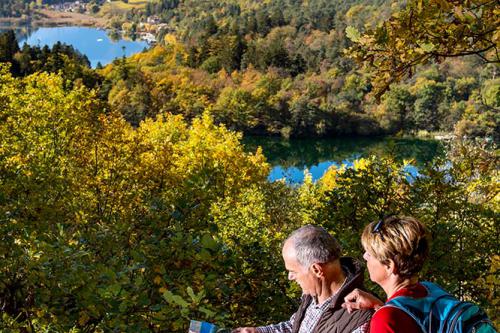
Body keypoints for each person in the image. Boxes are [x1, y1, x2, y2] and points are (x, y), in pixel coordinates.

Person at [341, 216, 495, 333]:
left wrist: (384, 312)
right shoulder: (430, 289)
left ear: (389, 266)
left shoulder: (385, 320)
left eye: (370, 253)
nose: (364, 257)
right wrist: (378, 305)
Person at [233, 225, 373, 333]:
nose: (290, 277)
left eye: (293, 271)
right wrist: (258, 331)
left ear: (317, 270)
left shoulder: (360, 319)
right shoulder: (313, 296)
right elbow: (295, 327)